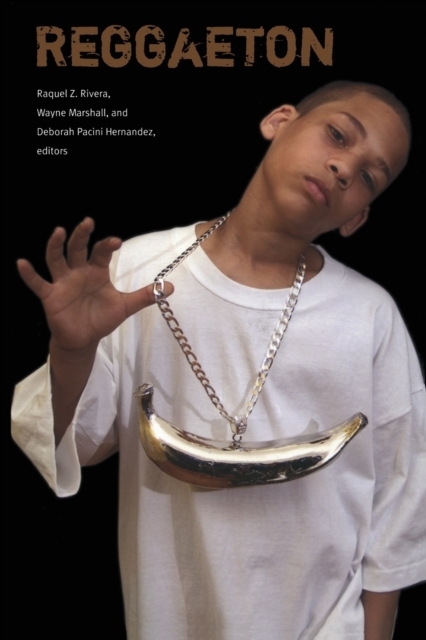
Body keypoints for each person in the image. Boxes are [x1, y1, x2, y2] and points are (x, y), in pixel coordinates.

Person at [12, 81, 425, 640]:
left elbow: (399, 506)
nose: (344, 168)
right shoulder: (137, 271)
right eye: (336, 134)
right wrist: (72, 350)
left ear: (357, 218)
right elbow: (74, 444)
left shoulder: (371, 316)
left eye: (370, 177)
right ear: (278, 121)